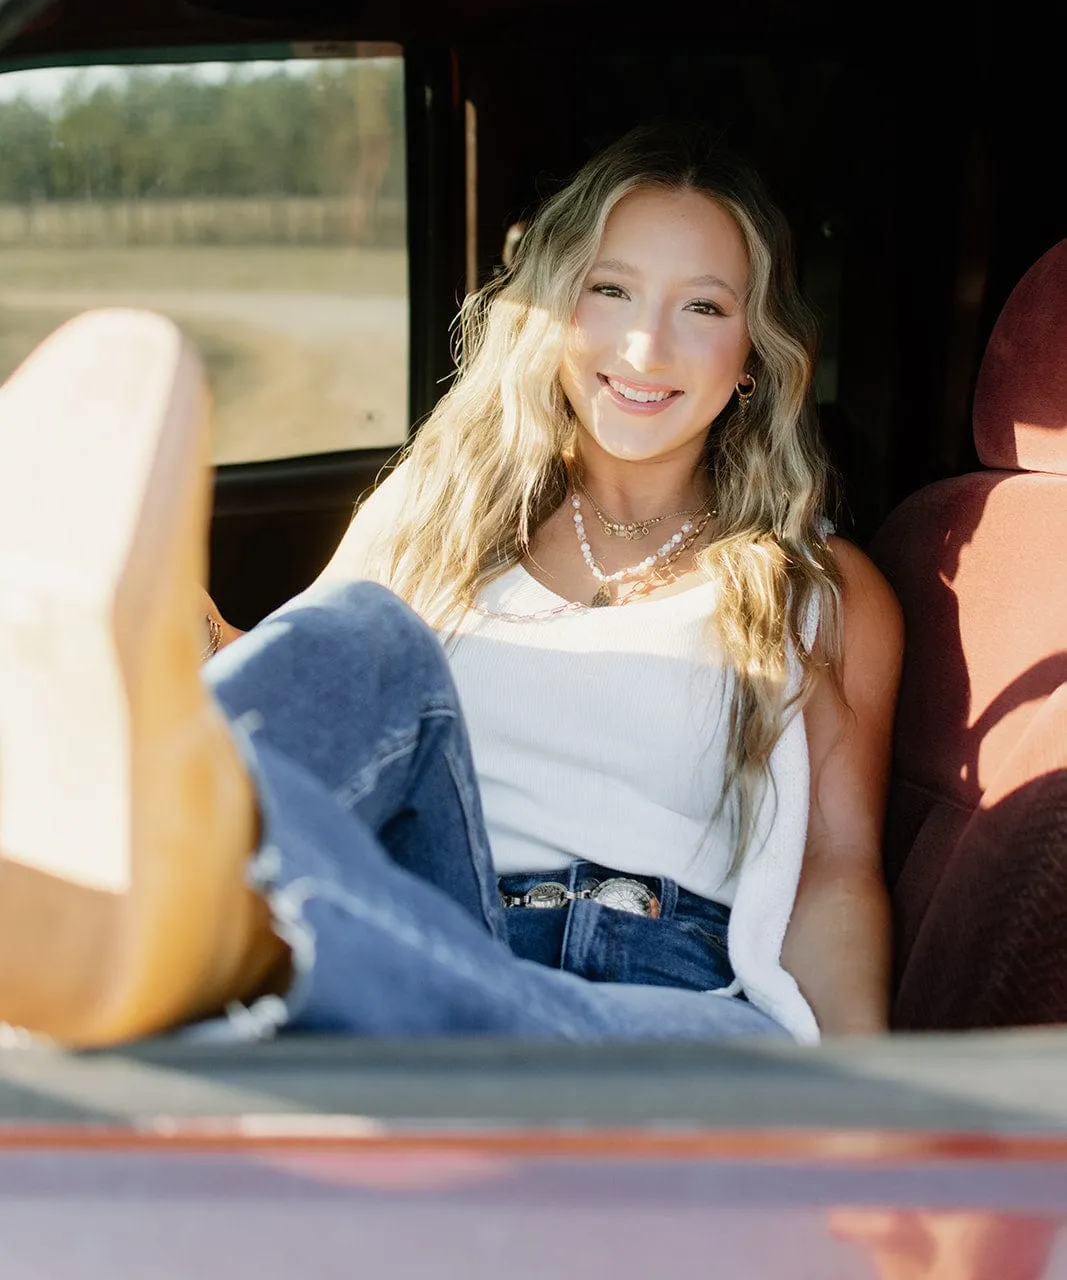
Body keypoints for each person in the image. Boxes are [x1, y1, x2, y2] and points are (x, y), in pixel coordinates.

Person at [0, 125, 902, 1049]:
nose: (643, 345)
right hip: (437, 925)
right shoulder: (438, 513)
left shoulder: (820, 592)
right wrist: (176, 635)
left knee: (346, 972)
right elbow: (314, 714)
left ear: (754, 348)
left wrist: (872, 1094)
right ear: (553, 308)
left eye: (703, 308)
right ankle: (131, 860)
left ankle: (225, 945)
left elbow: (835, 873)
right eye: (610, 289)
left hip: (666, 1000)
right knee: (363, 635)